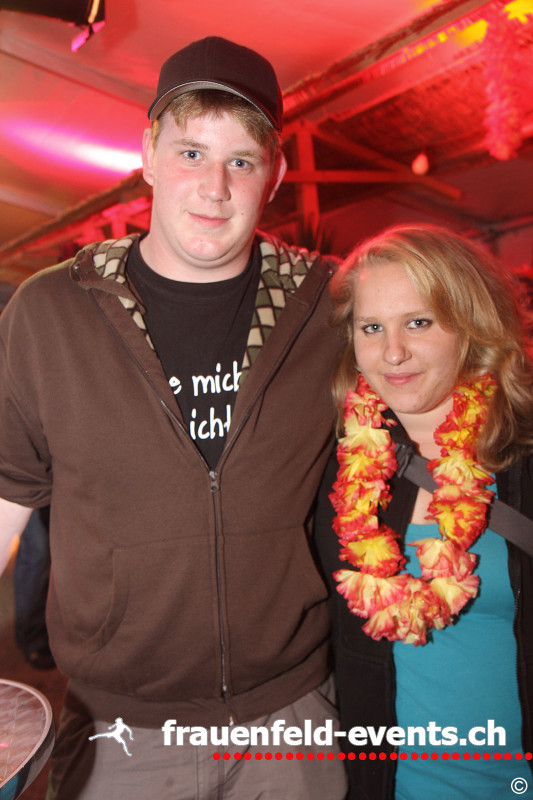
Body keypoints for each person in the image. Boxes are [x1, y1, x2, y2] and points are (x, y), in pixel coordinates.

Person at [0, 37, 347, 799]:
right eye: (191, 153)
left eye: (240, 161)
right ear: (149, 156)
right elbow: (5, 499)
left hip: (292, 718)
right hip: (121, 729)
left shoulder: (329, 304)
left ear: (273, 176)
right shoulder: (51, 311)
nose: (214, 188)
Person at [315, 223, 533, 800]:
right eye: (372, 327)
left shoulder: (524, 457)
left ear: (471, 323)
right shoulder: (333, 469)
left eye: (419, 322)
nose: (393, 352)